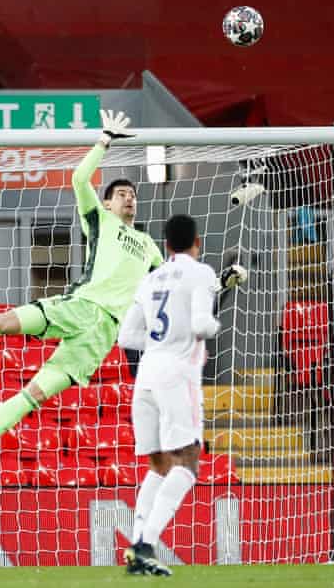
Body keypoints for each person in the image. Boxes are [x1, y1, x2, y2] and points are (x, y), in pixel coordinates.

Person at [0, 110, 164, 473]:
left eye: (133, 195)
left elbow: (169, 284)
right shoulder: (101, 221)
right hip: (79, 305)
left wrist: (216, 285)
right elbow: (79, 178)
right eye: (121, 194)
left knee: (33, 396)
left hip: (100, 336)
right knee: (6, 323)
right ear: (107, 203)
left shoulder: (150, 246)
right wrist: (104, 141)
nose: (129, 199)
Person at [117, 214, 238, 576]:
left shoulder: (151, 278)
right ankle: (146, 543)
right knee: (187, 463)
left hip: (146, 376)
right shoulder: (200, 273)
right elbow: (201, 324)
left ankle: (137, 546)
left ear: (166, 244)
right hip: (176, 376)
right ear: (196, 242)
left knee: (158, 466)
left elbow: (126, 337)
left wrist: (161, 341)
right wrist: (210, 327)